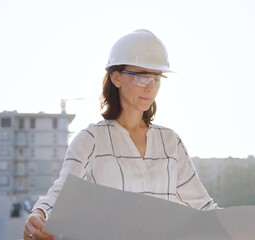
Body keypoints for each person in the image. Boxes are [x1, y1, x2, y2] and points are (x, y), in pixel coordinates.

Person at [23, 29, 217, 240]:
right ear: (116, 78)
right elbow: (62, 192)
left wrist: (241, 227)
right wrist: (39, 213)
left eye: (157, 77)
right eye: (142, 77)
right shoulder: (92, 140)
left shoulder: (170, 142)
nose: (151, 87)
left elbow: (203, 207)